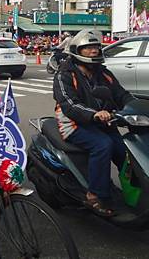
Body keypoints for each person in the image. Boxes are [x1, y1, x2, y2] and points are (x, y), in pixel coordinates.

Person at [52, 29, 134, 216]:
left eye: (96, 47)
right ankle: (95, 194)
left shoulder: (102, 73)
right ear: (77, 51)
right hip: (74, 124)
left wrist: (136, 106)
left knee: (126, 151)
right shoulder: (65, 74)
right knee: (103, 145)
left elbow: (121, 94)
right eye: (88, 48)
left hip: (102, 122)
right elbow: (69, 105)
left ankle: (134, 193)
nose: (94, 51)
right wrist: (95, 114)